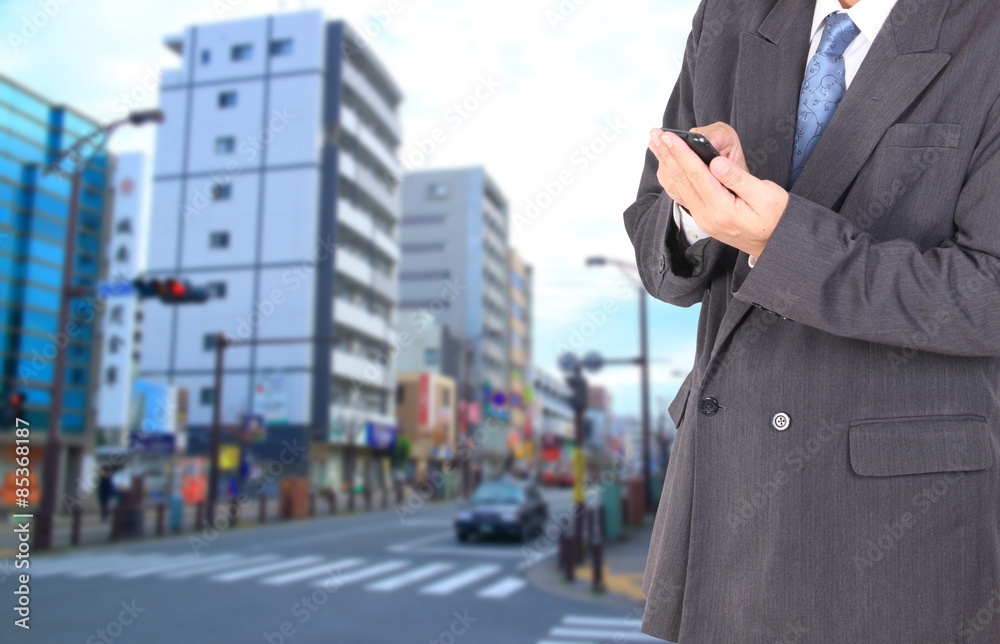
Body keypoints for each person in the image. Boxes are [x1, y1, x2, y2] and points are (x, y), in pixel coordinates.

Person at [624, 1, 1000, 642]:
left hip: (896, 529)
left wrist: (780, 242)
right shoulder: (731, 16)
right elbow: (661, 262)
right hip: (728, 496)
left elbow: (987, 293)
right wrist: (698, 211)